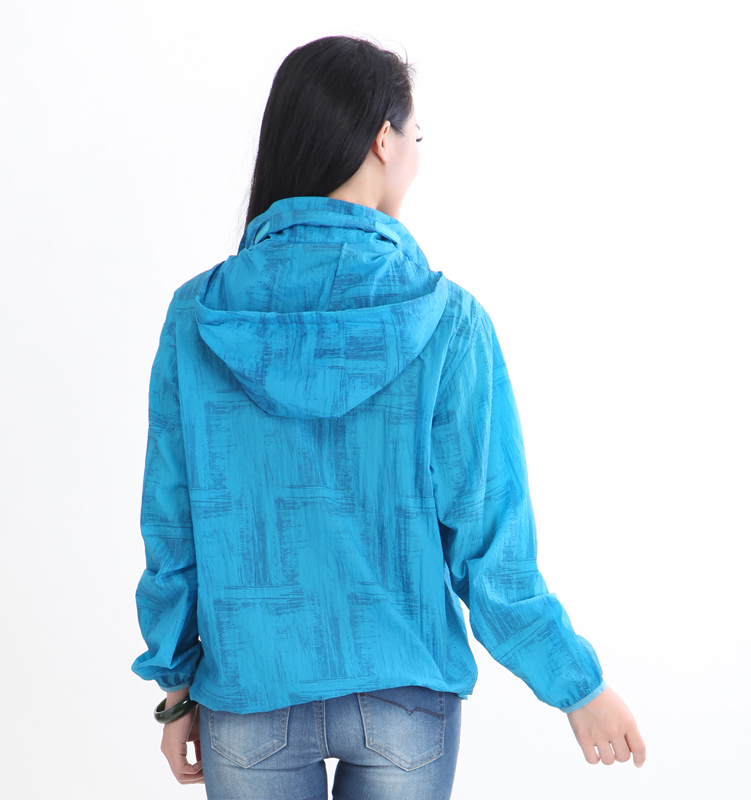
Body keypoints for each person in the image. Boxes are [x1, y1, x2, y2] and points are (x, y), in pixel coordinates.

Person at [131, 34, 647, 798]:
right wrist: (578, 685)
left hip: (248, 693)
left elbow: (171, 530)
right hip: (406, 697)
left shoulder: (197, 316)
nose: (415, 155)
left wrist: (176, 688)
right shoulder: (450, 322)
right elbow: (490, 547)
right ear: (383, 139)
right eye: (416, 138)